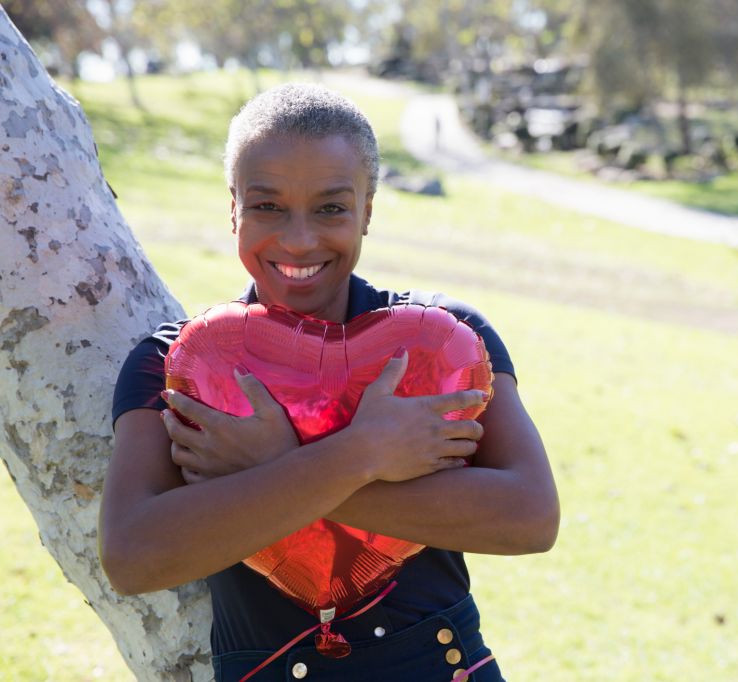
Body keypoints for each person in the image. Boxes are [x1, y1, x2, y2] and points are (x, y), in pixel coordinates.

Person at [99, 83, 560, 681]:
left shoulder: (442, 341)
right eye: (267, 206)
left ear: (368, 209)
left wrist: (277, 468)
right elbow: (134, 557)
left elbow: (530, 517)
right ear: (233, 206)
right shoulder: (180, 363)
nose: (298, 239)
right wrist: (362, 453)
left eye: (331, 208)